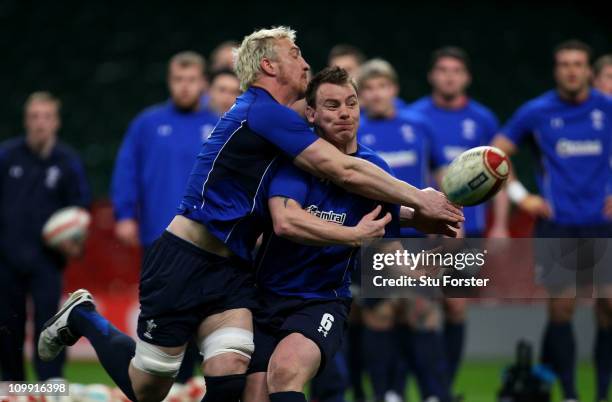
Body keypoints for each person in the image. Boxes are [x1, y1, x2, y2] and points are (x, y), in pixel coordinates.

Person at [39, 27, 462, 402]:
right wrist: (421, 197)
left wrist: (406, 215)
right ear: (268, 65)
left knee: (229, 379)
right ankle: (82, 316)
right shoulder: (260, 111)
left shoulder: (283, 121)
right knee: (148, 388)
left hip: (235, 271)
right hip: (184, 260)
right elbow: (341, 170)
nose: (306, 61)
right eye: (295, 53)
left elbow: (335, 195)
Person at [243, 66, 458, 402]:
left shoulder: (376, 171)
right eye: (332, 105)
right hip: (265, 296)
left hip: (322, 300)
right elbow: (287, 222)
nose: (344, 113)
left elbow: (386, 243)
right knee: (254, 394)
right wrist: (354, 234)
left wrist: (416, 274)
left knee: (285, 372)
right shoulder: (295, 161)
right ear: (311, 114)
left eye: (351, 103)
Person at [492, 40, 612, 402]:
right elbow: (495, 154)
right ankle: (571, 394)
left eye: (578, 64)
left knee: (608, 306)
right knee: (562, 307)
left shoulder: (606, 108)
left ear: (588, 70)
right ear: (556, 70)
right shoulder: (536, 111)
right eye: (564, 64)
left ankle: (603, 394)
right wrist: (520, 196)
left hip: (602, 223)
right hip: (558, 223)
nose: (571, 70)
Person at [111, 51, 232, 384]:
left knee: (203, 313)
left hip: (209, 239)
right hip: (159, 236)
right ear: (170, 82)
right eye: (178, 79)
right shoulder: (147, 123)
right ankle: (162, 383)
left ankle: (191, 385)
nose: (185, 86)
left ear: (203, 83)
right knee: (164, 315)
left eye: (191, 79)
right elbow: (127, 171)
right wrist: (124, 214)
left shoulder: (220, 123)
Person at [410, 46, 508, 398]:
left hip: (473, 226)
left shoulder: (482, 118)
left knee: (455, 304)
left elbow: (499, 174)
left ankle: (445, 387)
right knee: (423, 305)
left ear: (466, 77)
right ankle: (432, 390)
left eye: (456, 70)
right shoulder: (415, 116)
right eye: (443, 70)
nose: (449, 76)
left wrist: (500, 225)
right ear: (432, 75)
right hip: (428, 226)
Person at [356, 58, 438, 402]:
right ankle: (385, 392)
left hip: (419, 234)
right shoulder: (356, 131)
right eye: (369, 88)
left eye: (382, 86)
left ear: (395, 89)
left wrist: (447, 219)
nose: (376, 94)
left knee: (422, 313)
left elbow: (441, 175)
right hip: (377, 234)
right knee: (380, 314)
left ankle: (434, 393)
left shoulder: (419, 125)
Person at [0, 92, 90, 380]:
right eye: (35, 117)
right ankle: (11, 389)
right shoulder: (6, 156)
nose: (40, 123)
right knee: (6, 329)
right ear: (26, 121)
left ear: (56, 122)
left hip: (47, 262)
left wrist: (73, 242)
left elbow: (80, 209)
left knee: (50, 329)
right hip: (6, 260)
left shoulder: (67, 162)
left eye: (47, 117)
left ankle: (52, 389)